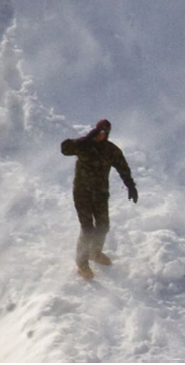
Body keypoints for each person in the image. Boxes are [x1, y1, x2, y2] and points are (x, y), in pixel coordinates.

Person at [60, 118, 138, 278]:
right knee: (87, 228)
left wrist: (130, 185)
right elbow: (65, 149)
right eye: (99, 132)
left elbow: (123, 167)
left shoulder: (111, 150)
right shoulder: (83, 146)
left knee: (103, 225)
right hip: (83, 193)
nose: (101, 135)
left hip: (100, 193)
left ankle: (95, 253)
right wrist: (85, 140)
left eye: (104, 133)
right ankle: (81, 264)